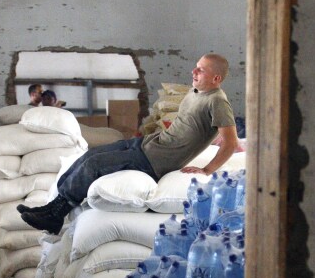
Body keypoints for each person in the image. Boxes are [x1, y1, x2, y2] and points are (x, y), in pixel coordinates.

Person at [19, 53, 239, 234]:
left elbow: (230, 142)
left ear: (216, 79)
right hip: (149, 144)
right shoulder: (196, 91)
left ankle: (55, 216)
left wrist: (207, 169)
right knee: (87, 156)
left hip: (155, 160)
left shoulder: (217, 102)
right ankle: (50, 208)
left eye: (201, 70)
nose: (194, 71)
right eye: (196, 66)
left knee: (92, 166)